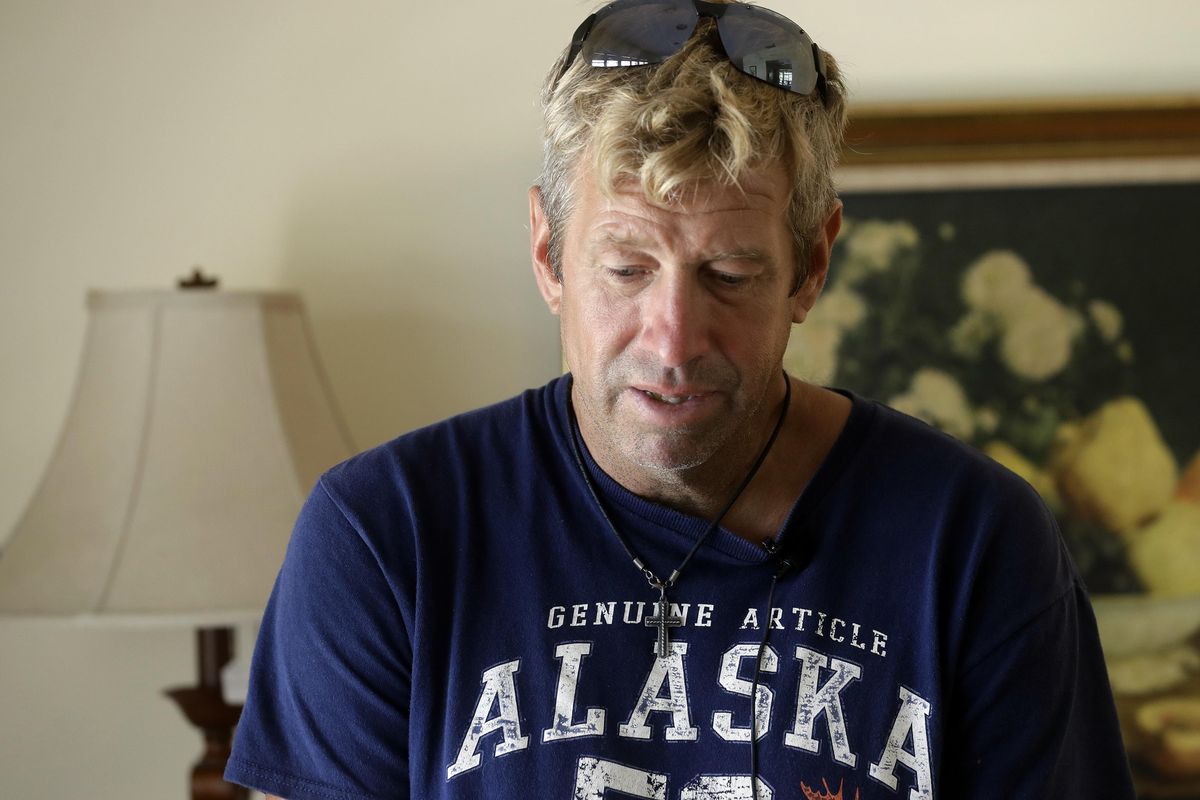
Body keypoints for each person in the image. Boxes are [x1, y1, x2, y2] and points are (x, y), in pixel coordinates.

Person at [225, 2, 1136, 798]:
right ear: (548, 255)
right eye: (625, 269)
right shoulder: (386, 535)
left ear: (812, 265)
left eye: (731, 275)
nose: (673, 342)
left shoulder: (977, 543)